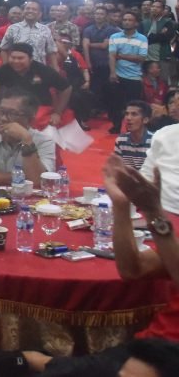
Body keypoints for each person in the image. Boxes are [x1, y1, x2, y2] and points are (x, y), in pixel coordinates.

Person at [18, 155, 179, 375]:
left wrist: (153, 213)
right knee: (18, 361)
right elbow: (133, 270)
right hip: (149, 347)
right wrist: (121, 206)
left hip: (166, 360)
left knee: (33, 363)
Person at [0, 89, 56, 186]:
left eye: (12, 113)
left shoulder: (45, 142)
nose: (3, 118)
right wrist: (19, 177)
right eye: (1, 112)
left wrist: (26, 140)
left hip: (26, 195)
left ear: (30, 120)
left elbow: (40, 181)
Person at [0, 43, 72, 129]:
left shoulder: (43, 70)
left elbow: (66, 88)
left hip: (39, 108)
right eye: (13, 58)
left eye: (20, 58)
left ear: (30, 59)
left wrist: (57, 113)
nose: (16, 61)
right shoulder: (5, 69)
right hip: (12, 107)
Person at [109, 11, 150, 133]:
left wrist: (121, 56)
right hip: (118, 75)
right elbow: (112, 56)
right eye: (125, 20)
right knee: (115, 104)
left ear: (136, 23)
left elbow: (141, 58)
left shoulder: (142, 38)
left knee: (133, 106)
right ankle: (116, 126)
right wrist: (112, 72)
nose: (126, 22)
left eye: (130, 20)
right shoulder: (114, 37)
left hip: (134, 76)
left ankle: (132, 128)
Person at [0, 0, 57, 67]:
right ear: (23, 11)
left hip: (39, 69)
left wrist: (55, 68)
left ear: (40, 14)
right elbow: (3, 49)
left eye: (34, 9)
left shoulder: (45, 29)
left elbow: (51, 52)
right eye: (27, 8)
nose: (30, 11)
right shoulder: (13, 28)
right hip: (17, 68)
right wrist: (6, 67)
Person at [115, 101, 154, 171]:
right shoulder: (121, 140)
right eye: (126, 114)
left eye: (134, 114)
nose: (128, 118)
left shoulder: (154, 141)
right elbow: (118, 168)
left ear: (145, 120)